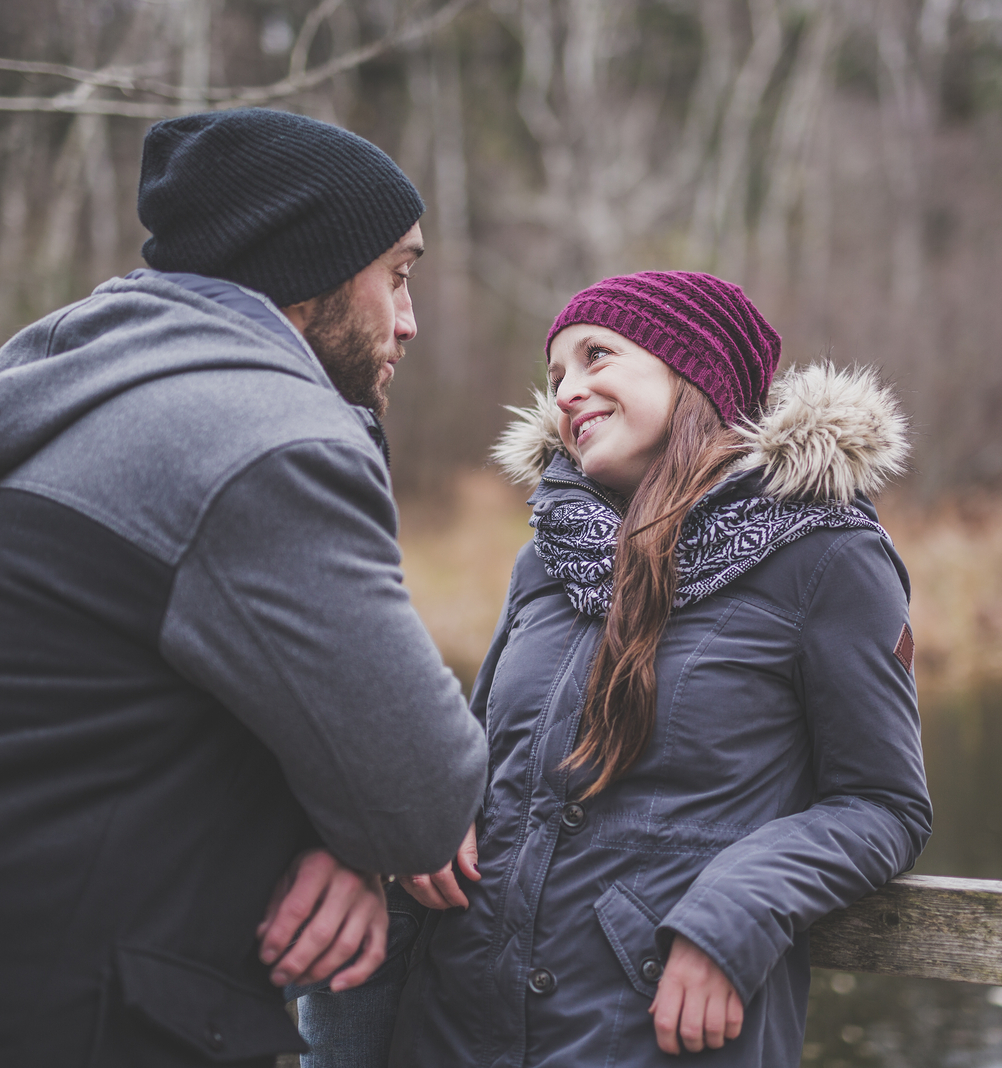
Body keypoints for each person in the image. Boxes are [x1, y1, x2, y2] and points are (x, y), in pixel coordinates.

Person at [0, 109, 487, 1068]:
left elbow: (140, 712)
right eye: (397, 277)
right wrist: (366, 826)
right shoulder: (262, 436)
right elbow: (422, 790)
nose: (408, 321)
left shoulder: (112, 388)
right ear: (309, 269)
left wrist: (339, 833)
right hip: (57, 1014)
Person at [388, 271, 931, 1066]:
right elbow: (483, 754)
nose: (569, 390)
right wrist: (434, 807)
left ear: (693, 371)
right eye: (557, 375)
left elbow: (884, 806)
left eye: (596, 356)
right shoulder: (547, 554)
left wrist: (737, 911)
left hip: (647, 1033)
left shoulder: (828, 557)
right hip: (456, 1027)